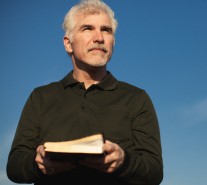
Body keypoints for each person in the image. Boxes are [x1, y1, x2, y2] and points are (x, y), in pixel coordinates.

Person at [6, 0, 163, 184]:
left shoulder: (137, 98)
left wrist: (124, 161)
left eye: (106, 30)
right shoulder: (41, 97)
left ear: (113, 42)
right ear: (68, 43)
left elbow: (154, 171)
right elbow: (14, 167)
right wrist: (37, 162)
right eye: (87, 28)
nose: (99, 37)